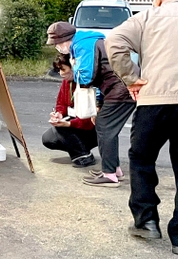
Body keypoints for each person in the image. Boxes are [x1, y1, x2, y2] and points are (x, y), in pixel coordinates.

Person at [105, 0, 178, 256]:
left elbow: (113, 40)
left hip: (154, 100)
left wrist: (131, 79)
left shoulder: (147, 17)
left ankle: (147, 221)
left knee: (142, 159)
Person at [46, 21, 135, 188]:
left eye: (57, 44)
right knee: (105, 127)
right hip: (120, 88)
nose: (57, 47)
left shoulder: (82, 45)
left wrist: (76, 70)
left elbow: (87, 75)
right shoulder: (93, 40)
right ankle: (114, 170)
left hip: (120, 90)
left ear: (65, 39)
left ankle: (109, 175)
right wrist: (99, 103)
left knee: (104, 127)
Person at [42, 54, 98, 167]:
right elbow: (61, 103)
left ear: (73, 67)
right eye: (59, 70)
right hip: (75, 121)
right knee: (48, 139)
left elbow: (87, 119)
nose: (61, 74)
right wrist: (58, 114)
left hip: (91, 127)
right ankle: (78, 148)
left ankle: (84, 156)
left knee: (61, 128)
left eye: (63, 69)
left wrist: (67, 123)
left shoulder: (86, 84)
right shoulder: (66, 82)